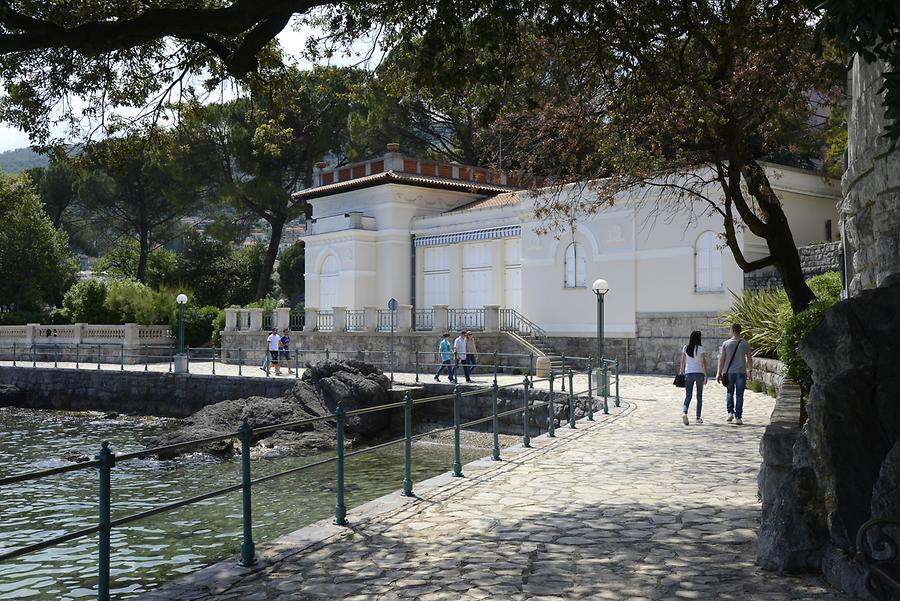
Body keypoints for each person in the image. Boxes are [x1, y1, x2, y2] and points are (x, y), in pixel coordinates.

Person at [716, 323, 753, 425]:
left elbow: (722, 359)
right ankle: (738, 417)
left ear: (732, 330)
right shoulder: (745, 344)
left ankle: (730, 412)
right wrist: (750, 370)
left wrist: (719, 373)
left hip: (729, 373)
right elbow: (749, 358)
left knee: (729, 392)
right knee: (740, 395)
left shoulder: (726, 344)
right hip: (741, 372)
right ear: (740, 331)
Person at [678, 330, 708, 425]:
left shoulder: (685, 348)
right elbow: (703, 362)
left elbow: (682, 361)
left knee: (688, 395)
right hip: (699, 373)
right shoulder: (700, 348)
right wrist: (706, 375)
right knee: (699, 396)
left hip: (688, 373)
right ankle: (698, 417)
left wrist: (681, 372)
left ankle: (684, 412)